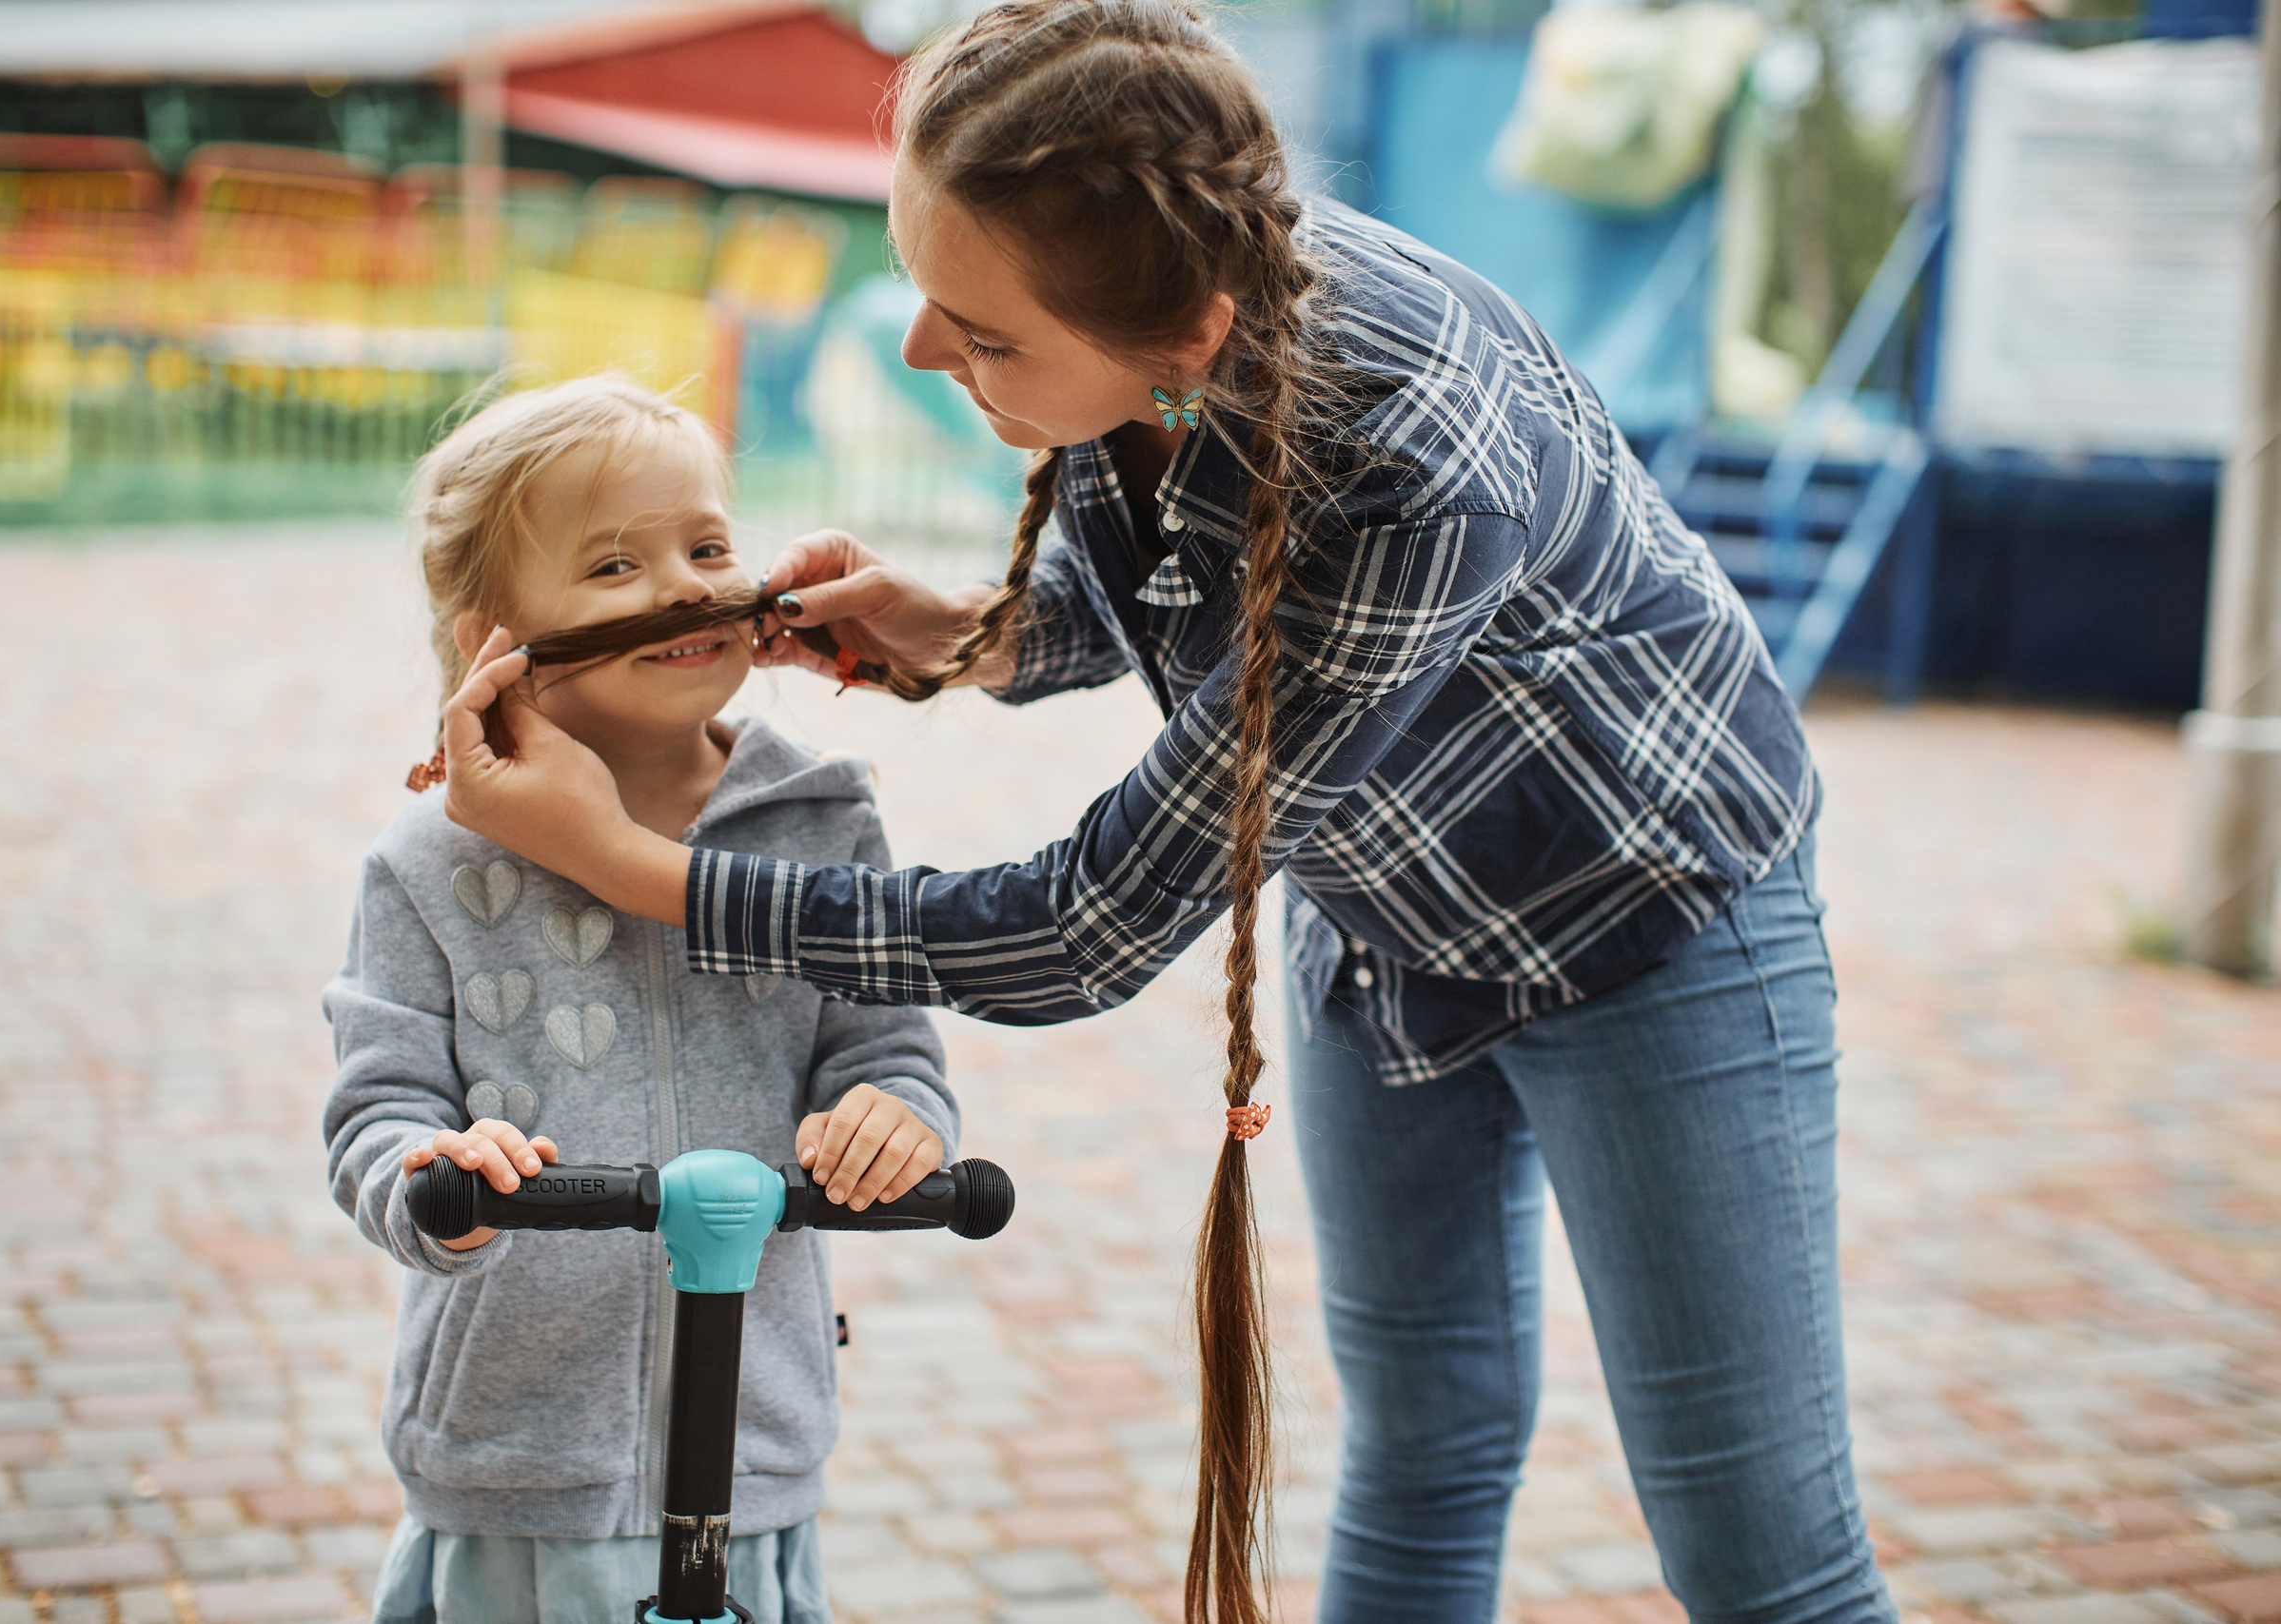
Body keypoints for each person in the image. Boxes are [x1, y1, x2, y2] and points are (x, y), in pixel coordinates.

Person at [436, 7, 1894, 1624]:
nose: (926, 349)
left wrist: (633, 868)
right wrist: (966, 633)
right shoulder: (1181, 246)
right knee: (1421, 1455)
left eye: (980, 336)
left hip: (1645, 915)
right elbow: (1198, 566)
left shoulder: (1401, 456)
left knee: (1763, 1566)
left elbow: (1079, 927)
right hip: (1386, 909)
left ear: (1188, 336)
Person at [321, 375, 958, 1624]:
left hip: (750, 1435)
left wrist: (891, 1104)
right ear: (493, 639)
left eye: (708, 547)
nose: (682, 586)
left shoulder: (824, 817)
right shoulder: (430, 864)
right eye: (613, 566)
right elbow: (377, 1106)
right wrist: (435, 1173)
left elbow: (883, 1036)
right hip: (522, 1450)